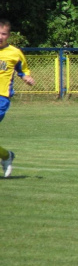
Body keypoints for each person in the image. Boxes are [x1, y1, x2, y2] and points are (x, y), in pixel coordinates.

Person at [0, 19, 35, 178]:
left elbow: (23, 71)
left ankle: (7, 156)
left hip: (2, 98)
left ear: (8, 35)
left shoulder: (15, 53)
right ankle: (6, 155)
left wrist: (27, 78)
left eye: (3, 33)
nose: (0, 36)